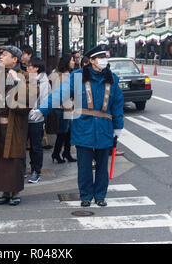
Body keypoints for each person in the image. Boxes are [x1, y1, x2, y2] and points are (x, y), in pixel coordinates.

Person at [30, 44, 124, 207]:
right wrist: (43, 109)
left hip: (104, 127)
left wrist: (118, 127)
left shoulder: (112, 78)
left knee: (102, 166)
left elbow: (117, 104)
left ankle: (100, 195)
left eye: (105, 58)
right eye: (101, 58)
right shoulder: (77, 76)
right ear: (92, 60)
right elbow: (60, 94)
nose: (104, 61)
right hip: (83, 127)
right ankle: (86, 196)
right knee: (84, 166)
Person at [0, 45, 36, 206]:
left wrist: (19, 82)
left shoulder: (25, 76)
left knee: (14, 159)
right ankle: (4, 192)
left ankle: (15, 191)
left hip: (16, 124)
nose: (1, 57)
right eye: (1, 54)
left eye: (5, 55)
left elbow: (30, 100)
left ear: (15, 59)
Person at [26, 58, 51, 184]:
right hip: (24, 117)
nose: (27, 68)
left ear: (36, 68)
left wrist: (39, 111)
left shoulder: (44, 82)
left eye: (30, 66)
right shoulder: (25, 79)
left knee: (36, 146)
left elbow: (46, 100)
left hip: (37, 117)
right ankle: (28, 168)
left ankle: (37, 171)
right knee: (23, 145)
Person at [50, 53, 76, 163]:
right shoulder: (63, 75)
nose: (74, 62)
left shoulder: (58, 73)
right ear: (67, 62)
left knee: (68, 132)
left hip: (65, 107)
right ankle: (57, 153)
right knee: (63, 132)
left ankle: (66, 153)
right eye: (72, 60)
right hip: (63, 108)